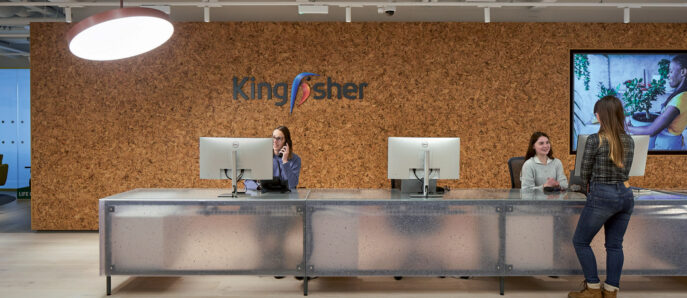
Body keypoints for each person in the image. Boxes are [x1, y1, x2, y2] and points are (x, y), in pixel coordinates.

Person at [569, 96, 635, 298]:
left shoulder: (594, 140)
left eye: (596, 112)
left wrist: (590, 192)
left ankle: (593, 288)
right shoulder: (629, 140)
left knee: (580, 242)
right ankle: (611, 290)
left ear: (601, 115)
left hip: (603, 195)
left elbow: (584, 172)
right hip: (626, 194)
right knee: (615, 245)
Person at [626, 55, 687, 150]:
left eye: (670, 71)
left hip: (668, 146)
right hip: (667, 143)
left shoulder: (681, 99)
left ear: (683, 72)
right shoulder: (682, 95)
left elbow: (651, 130)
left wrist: (626, 128)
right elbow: (665, 115)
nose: (668, 75)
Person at [245, 126, 301, 191]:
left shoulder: (295, 159)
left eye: (279, 138)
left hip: (286, 198)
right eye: (273, 137)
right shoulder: (263, 157)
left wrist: (285, 161)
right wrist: (258, 187)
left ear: (286, 141)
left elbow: (292, 184)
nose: (275, 141)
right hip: (266, 197)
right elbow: (248, 181)